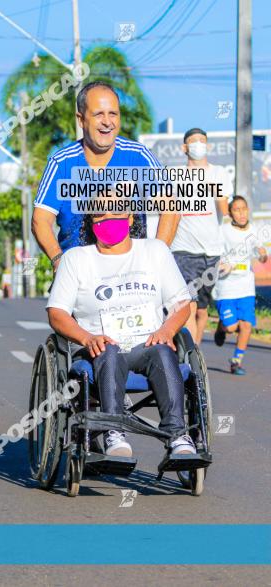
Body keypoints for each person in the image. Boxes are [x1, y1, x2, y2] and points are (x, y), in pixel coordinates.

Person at [46, 210, 196, 458]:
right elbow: (57, 313)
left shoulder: (154, 251)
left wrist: (167, 329)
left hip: (146, 344)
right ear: (90, 222)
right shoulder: (76, 259)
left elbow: (182, 303)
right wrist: (87, 337)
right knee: (109, 350)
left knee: (162, 349)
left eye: (116, 212)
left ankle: (177, 435)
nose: (108, 220)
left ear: (130, 218)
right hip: (99, 349)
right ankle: (113, 432)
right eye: (99, 216)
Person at [32, 81, 178, 270]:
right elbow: (40, 220)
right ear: (81, 119)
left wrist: (156, 261)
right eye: (98, 114)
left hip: (132, 274)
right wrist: (58, 261)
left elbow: (171, 210)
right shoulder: (62, 163)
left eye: (113, 114)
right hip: (79, 274)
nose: (107, 122)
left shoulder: (138, 156)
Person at [170, 128, 233, 346]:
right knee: (190, 304)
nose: (198, 145)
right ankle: (190, 357)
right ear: (184, 148)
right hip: (183, 250)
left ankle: (195, 353)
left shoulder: (219, 174)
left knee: (203, 309)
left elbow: (225, 212)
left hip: (212, 251)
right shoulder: (174, 176)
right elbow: (168, 213)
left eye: (202, 141)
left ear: (209, 147)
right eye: (193, 141)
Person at [214, 196, 268, 375]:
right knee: (231, 327)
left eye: (244, 208)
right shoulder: (223, 231)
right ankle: (222, 326)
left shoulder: (253, 230)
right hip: (226, 287)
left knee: (246, 325)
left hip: (246, 287)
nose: (241, 213)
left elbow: (261, 253)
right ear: (230, 213)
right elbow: (214, 255)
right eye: (236, 209)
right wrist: (223, 264)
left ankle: (236, 360)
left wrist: (262, 254)